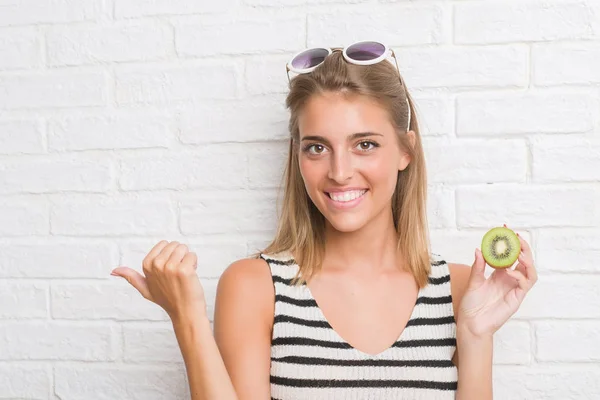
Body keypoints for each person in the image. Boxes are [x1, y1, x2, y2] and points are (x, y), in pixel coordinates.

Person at [111, 41, 538, 400]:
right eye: (316, 148)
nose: (338, 171)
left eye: (365, 144)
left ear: (406, 151)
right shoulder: (255, 286)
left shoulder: (461, 290)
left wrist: (476, 337)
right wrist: (187, 319)